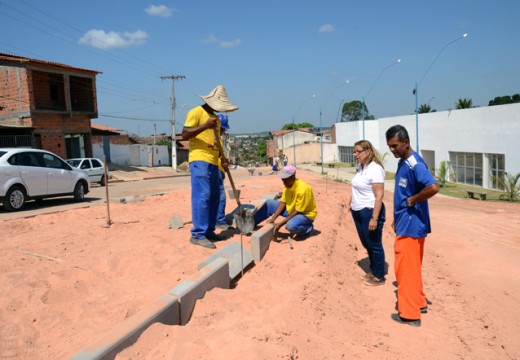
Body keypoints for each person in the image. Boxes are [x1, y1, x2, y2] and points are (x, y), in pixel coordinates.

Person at [385, 125, 439, 327]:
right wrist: (397, 215)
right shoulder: (404, 162)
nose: (392, 150)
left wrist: (412, 200)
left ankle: (409, 314)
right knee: (413, 268)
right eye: (389, 146)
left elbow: (433, 187)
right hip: (407, 222)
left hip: (411, 225)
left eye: (395, 145)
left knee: (405, 270)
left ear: (406, 142)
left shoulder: (414, 163)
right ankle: (419, 303)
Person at [181, 85, 238, 249]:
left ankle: (209, 231)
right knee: (202, 196)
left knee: (214, 197)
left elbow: (217, 141)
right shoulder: (196, 112)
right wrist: (205, 125)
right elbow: (185, 134)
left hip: (214, 162)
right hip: (199, 159)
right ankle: (198, 234)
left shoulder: (217, 119)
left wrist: (223, 158)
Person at [347, 140, 386, 286]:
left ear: (367, 152)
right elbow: (356, 186)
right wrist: (350, 202)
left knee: (374, 243)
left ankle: (379, 276)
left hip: (369, 211)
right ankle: (373, 269)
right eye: (354, 151)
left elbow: (379, 196)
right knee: (366, 242)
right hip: (357, 210)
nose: (355, 155)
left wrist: (374, 218)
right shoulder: (361, 167)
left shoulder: (375, 169)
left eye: (358, 151)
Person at [253, 165, 317, 239]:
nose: (283, 183)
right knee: (269, 204)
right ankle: (252, 223)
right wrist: (273, 218)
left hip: (305, 214)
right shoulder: (288, 185)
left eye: (285, 180)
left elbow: (297, 211)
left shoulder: (303, 189)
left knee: (290, 226)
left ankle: (308, 229)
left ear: (293, 178)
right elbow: (283, 202)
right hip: (292, 210)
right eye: (282, 180)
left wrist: (280, 224)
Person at [216, 114, 230, 230]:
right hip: (214, 170)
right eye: (222, 128)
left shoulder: (219, 140)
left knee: (218, 197)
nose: (223, 130)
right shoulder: (212, 138)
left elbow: (220, 155)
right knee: (220, 197)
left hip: (219, 170)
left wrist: (225, 163)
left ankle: (218, 220)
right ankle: (220, 221)